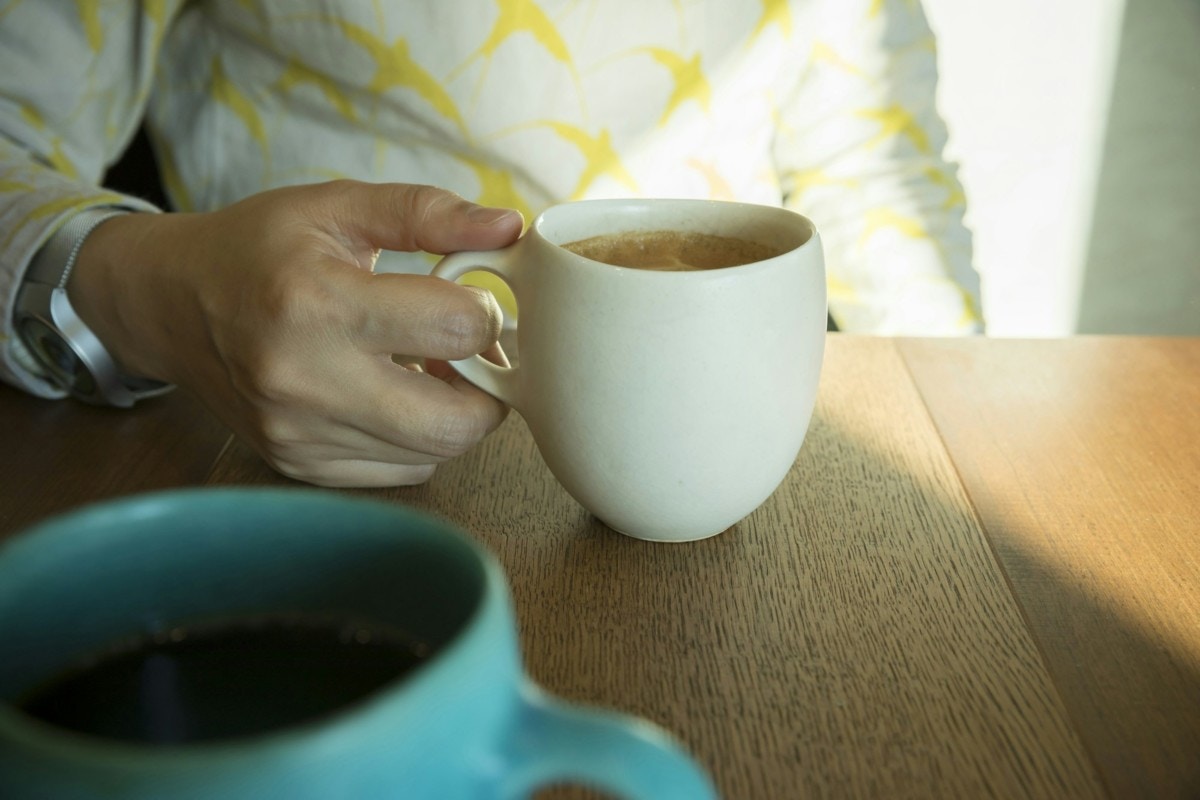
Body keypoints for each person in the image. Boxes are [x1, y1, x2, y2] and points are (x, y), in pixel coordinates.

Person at [0, 0, 981, 487]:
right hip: (305, 451)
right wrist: (153, 292)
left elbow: (878, 170)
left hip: (751, 440)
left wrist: (974, 462)